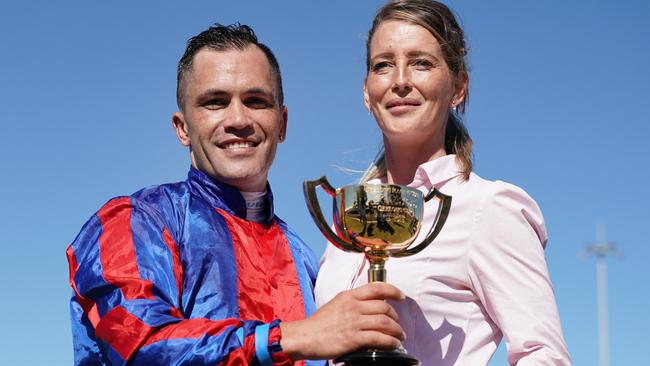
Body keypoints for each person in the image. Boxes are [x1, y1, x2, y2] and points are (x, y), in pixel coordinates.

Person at [66, 24, 406, 366]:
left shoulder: (303, 255)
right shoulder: (136, 220)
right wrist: (291, 337)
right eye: (215, 102)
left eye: (256, 101)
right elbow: (138, 342)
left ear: (282, 124)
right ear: (182, 128)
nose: (238, 119)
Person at [315, 1, 572, 365]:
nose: (400, 80)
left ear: (458, 87)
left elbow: (544, 356)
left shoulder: (489, 206)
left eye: (421, 62)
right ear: (366, 91)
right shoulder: (349, 219)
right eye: (383, 65)